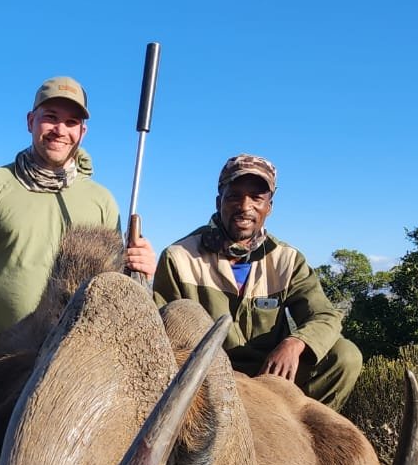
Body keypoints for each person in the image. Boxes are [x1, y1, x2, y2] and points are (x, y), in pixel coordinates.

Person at [152, 154, 361, 409]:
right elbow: (164, 337)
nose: (245, 206)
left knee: (345, 356)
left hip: (270, 376)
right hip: (206, 380)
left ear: (269, 207)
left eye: (256, 198)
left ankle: (304, 434)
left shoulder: (287, 259)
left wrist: (294, 343)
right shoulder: (179, 257)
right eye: (234, 196)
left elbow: (326, 315)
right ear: (219, 202)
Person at [0, 76, 155, 342]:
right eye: (50, 117)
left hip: (71, 360)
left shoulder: (103, 201)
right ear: (31, 121)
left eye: (72, 122)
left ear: (82, 133)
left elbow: (110, 287)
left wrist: (141, 270)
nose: (60, 130)